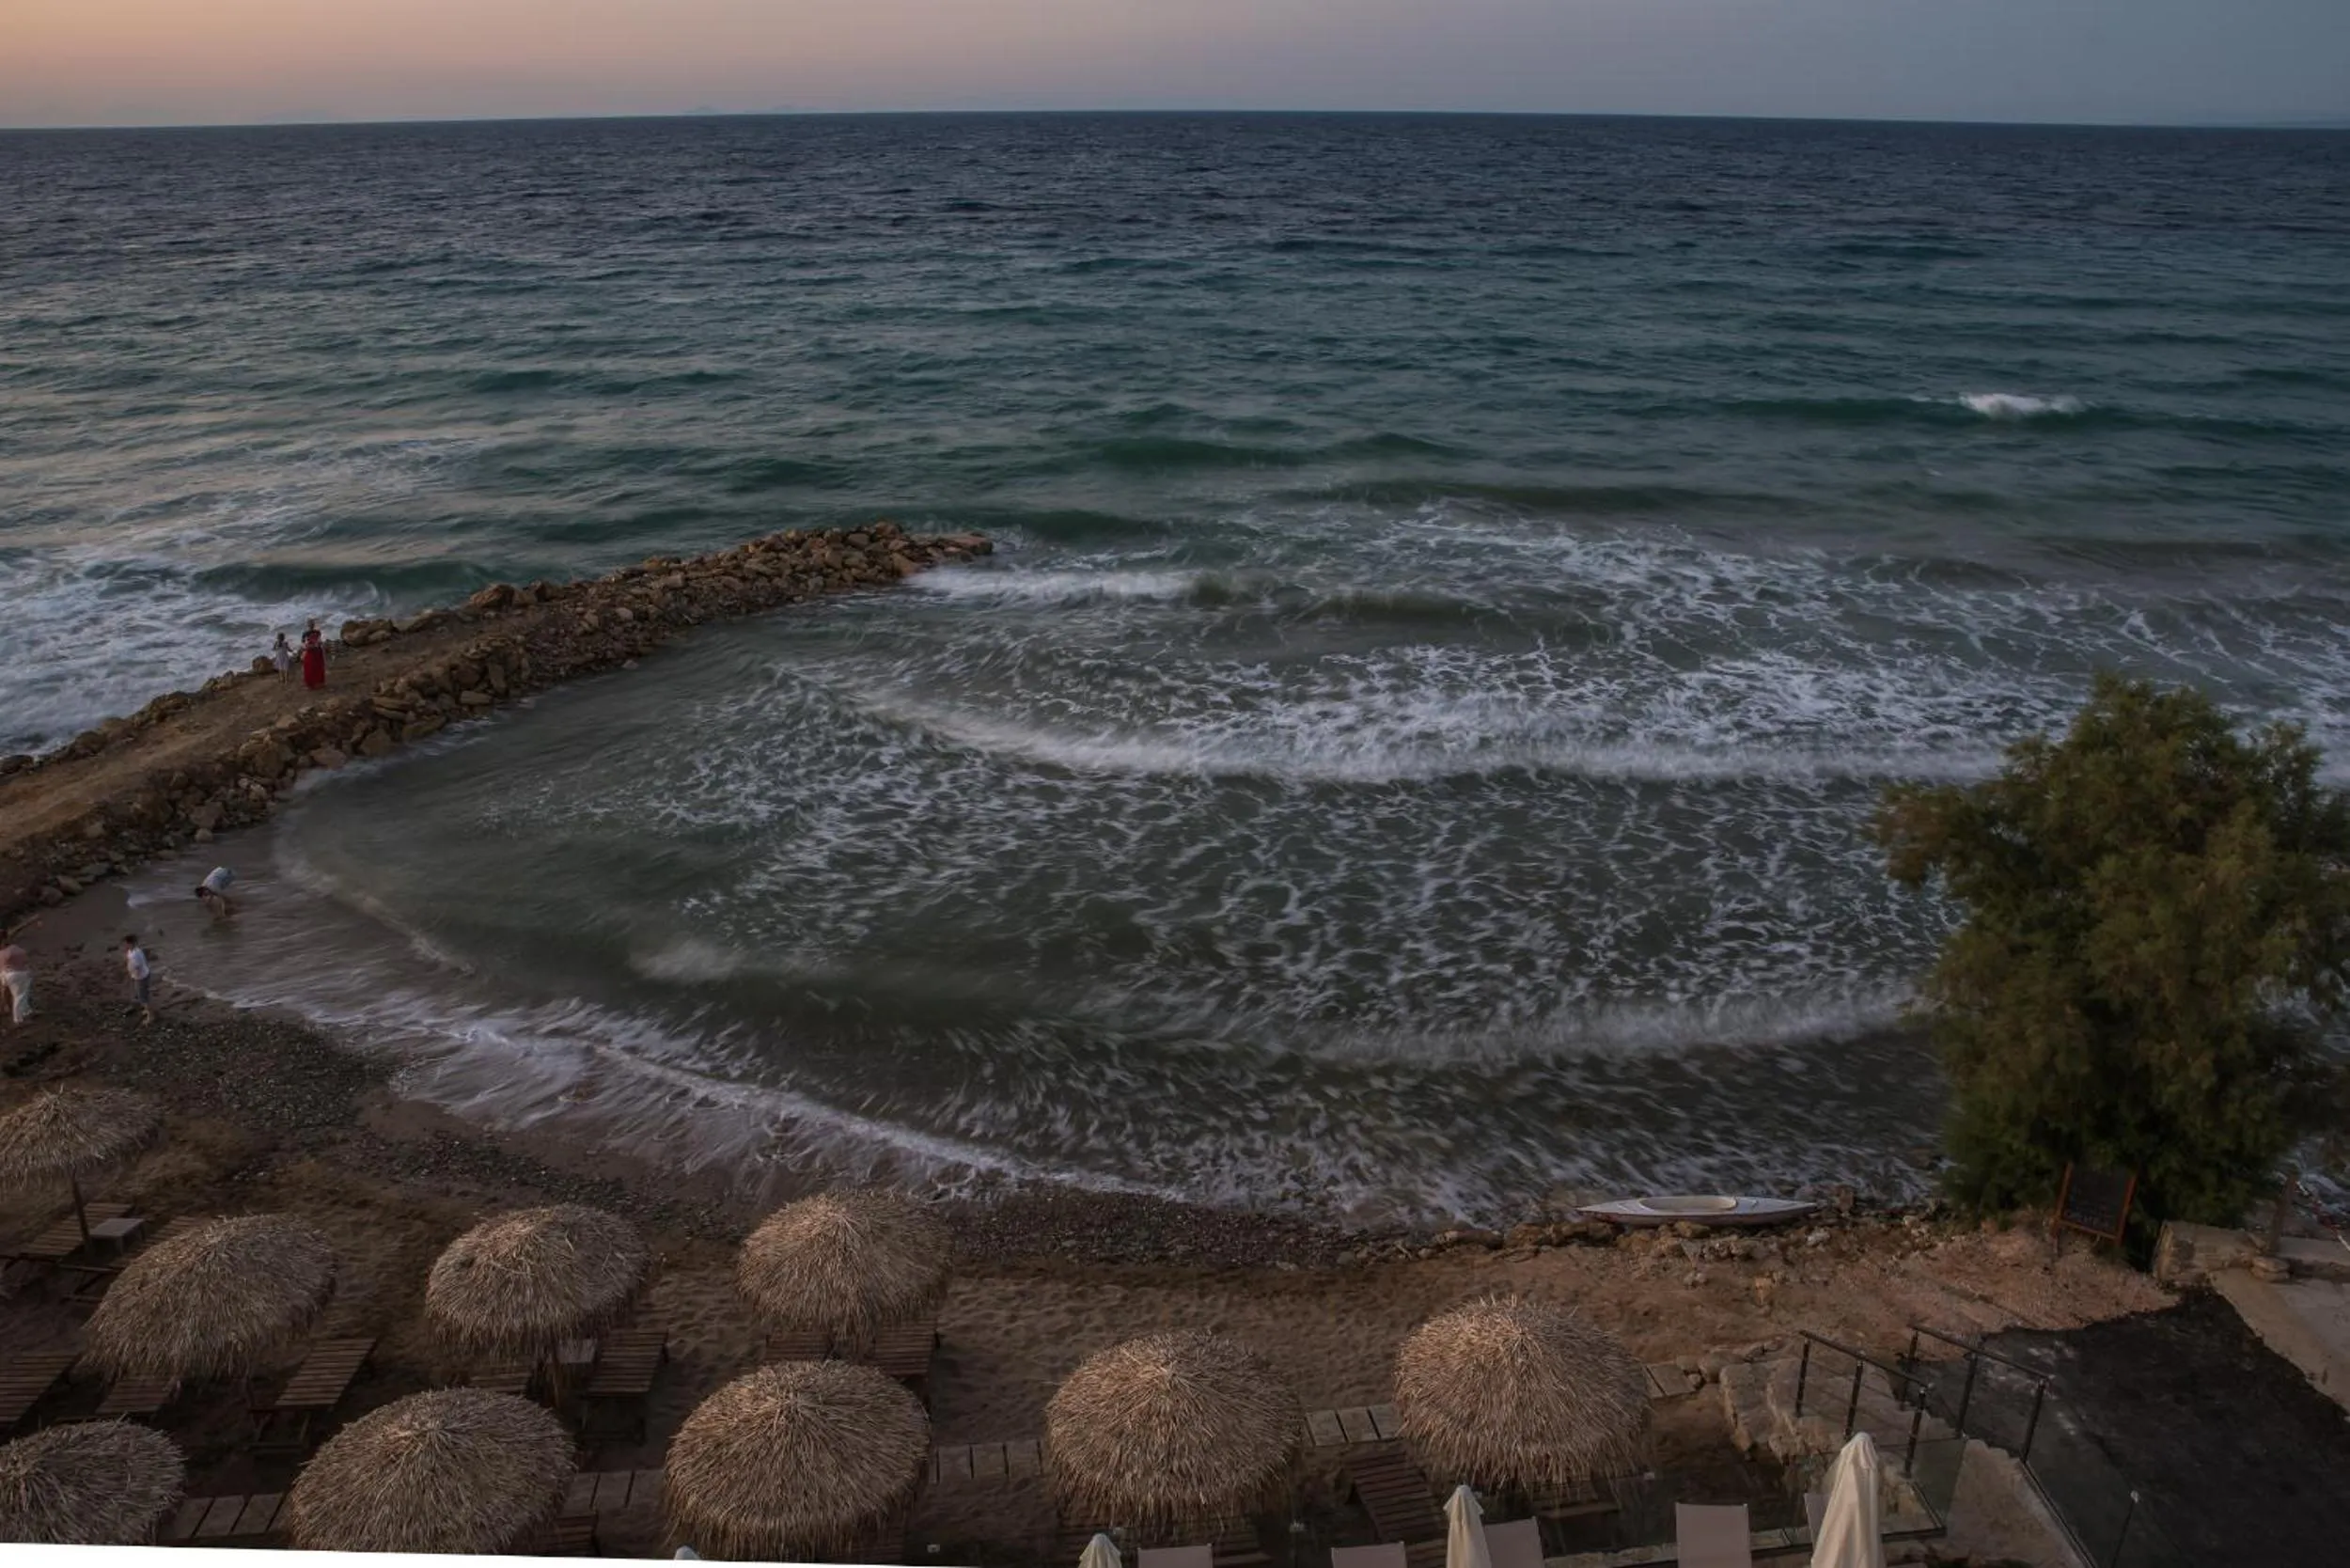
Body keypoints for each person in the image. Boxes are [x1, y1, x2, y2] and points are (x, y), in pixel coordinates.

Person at [122, 934, 153, 1026]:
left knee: (143, 998)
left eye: (125, 944)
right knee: (142, 994)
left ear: (130, 943)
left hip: (141, 977)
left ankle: (151, 1016)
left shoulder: (136, 954)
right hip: (140, 975)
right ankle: (147, 1010)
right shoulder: (132, 951)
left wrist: (130, 971)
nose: (124, 946)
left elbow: (136, 966)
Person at [300, 619, 327, 690]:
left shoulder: (305, 633)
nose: (311, 625)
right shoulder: (317, 632)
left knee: (310, 668)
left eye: (311, 623)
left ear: (308, 625)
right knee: (318, 666)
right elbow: (320, 641)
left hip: (311, 651)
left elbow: (303, 644)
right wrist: (316, 645)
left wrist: (304, 651)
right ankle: (319, 683)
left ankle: (311, 685)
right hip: (317, 650)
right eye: (311, 623)